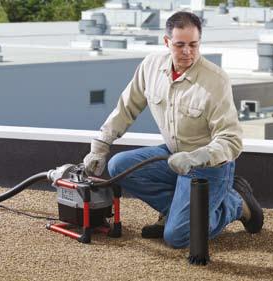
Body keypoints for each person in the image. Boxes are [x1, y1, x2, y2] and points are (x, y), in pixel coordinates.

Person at [83, 11, 263, 248]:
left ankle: (235, 204)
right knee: (119, 166)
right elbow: (125, 108)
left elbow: (231, 140)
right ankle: (177, 211)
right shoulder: (151, 66)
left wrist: (197, 157)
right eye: (180, 45)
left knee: (177, 237)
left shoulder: (215, 80)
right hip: (172, 156)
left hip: (208, 166)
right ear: (167, 42)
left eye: (193, 45)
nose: (187, 52)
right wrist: (100, 147)